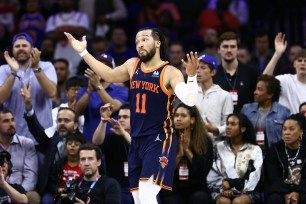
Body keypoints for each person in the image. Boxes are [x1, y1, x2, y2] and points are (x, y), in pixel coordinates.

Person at [64, 27, 199, 204]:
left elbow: (189, 100)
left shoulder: (170, 72)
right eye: (137, 41)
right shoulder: (132, 64)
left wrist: (191, 77)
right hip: (137, 139)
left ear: (157, 43)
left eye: (144, 39)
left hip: (159, 138)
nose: (140, 44)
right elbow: (109, 75)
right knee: (138, 198)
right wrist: (83, 52)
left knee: (146, 194)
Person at [21, 82, 82, 196]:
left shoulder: (84, 143)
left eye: (66, 120)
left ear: (75, 125)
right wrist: (29, 106)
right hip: (52, 190)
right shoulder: (52, 140)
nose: (62, 124)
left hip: (78, 191)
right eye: (59, 120)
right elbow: (36, 131)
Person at [0, 32, 57, 142]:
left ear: (32, 49)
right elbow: (1, 99)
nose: (21, 49)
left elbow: (52, 93)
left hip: (42, 134)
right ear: (12, 50)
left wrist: (36, 68)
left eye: (24, 45)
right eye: (17, 46)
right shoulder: (4, 69)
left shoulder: (46, 66)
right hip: (14, 136)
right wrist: (13, 73)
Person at [160, 103, 213, 204]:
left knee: (200, 198)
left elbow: (203, 172)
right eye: (176, 115)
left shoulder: (204, 141)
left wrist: (187, 151)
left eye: (183, 116)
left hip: (196, 188)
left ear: (192, 120)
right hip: (172, 188)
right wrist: (179, 155)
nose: (178, 119)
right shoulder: (167, 140)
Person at [207, 113, 263, 204]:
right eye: (227, 123)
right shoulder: (217, 147)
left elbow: (254, 176)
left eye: (233, 124)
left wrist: (234, 188)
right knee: (224, 201)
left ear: (243, 129)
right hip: (221, 191)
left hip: (248, 191)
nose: (228, 127)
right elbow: (212, 175)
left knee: (239, 202)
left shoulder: (254, 150)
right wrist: (223, 190)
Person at [75, 53, 128, 141]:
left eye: (105, 66)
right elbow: (77, 112)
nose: (101, 69)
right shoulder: (84, 90)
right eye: (98, 65)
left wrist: (98, 85)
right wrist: (89, 90)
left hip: (112, 140)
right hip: (88, 139)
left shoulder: (121, 90)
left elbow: (113, 107)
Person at [92, 103, 133, 203]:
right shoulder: (113, 137)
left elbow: (140, 149)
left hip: (141, 187)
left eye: (125, 117)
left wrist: (124, 133)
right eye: (119, 117)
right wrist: (104, 119)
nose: (121, 119)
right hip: (118, 188)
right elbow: (96, 142)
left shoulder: (143, 137)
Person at [241, 74, 291, 152]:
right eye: (255, 89)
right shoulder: (246, 109)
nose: (255, 92)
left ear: (270, 94)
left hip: (275, 155)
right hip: (250, 154)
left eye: (259, 89)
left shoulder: (284, 112)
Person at [265, 114, 306, 204]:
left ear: (301, 132)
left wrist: (298, 192)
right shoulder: (275, 149)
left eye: (291, 129)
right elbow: (273, 177)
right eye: (284, 129)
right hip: (280, 190)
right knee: (274, 199)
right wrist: (285, 193)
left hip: (303, 189)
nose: (286, 132)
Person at [0, 108, 39, 203]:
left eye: (12, 120)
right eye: (6, 121)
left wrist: (15, 194)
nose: (11, 124)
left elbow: (31, 176)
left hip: (20, 191)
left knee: (33, 197)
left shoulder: (26, 144)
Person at [213, 32, 258, 113]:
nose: (229, 50)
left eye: (233, 47)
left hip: (245, 123)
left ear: (238, 50)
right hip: (219, 123)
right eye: (225, 46)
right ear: (219, 50)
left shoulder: (250, 73)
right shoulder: (212, 74)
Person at [263, 32, 306, 114]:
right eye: (299, 60)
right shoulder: (286, 80)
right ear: (294, 64)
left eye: (305, 61)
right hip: (286, 125)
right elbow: (264, 80)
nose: (303, 63)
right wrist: (277, 53)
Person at [196, 54, 233, 142]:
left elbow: (229, 125)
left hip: (216, 145)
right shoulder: (190, 94)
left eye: (203, 68)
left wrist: (215, 129)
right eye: (197, 68)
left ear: (213, 72)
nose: (198, 71)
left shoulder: (224, 95)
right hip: (194, 146)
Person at [43, 132, 86, 204]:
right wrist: (58, 189)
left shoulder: (85, 164)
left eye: (76, 144)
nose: (72, 146)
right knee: (46, 200)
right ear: (65, 147)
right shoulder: (59, 164)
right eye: (69, 144)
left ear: (82, 148)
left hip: (79, 195)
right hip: (60, 194)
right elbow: (50, 182)